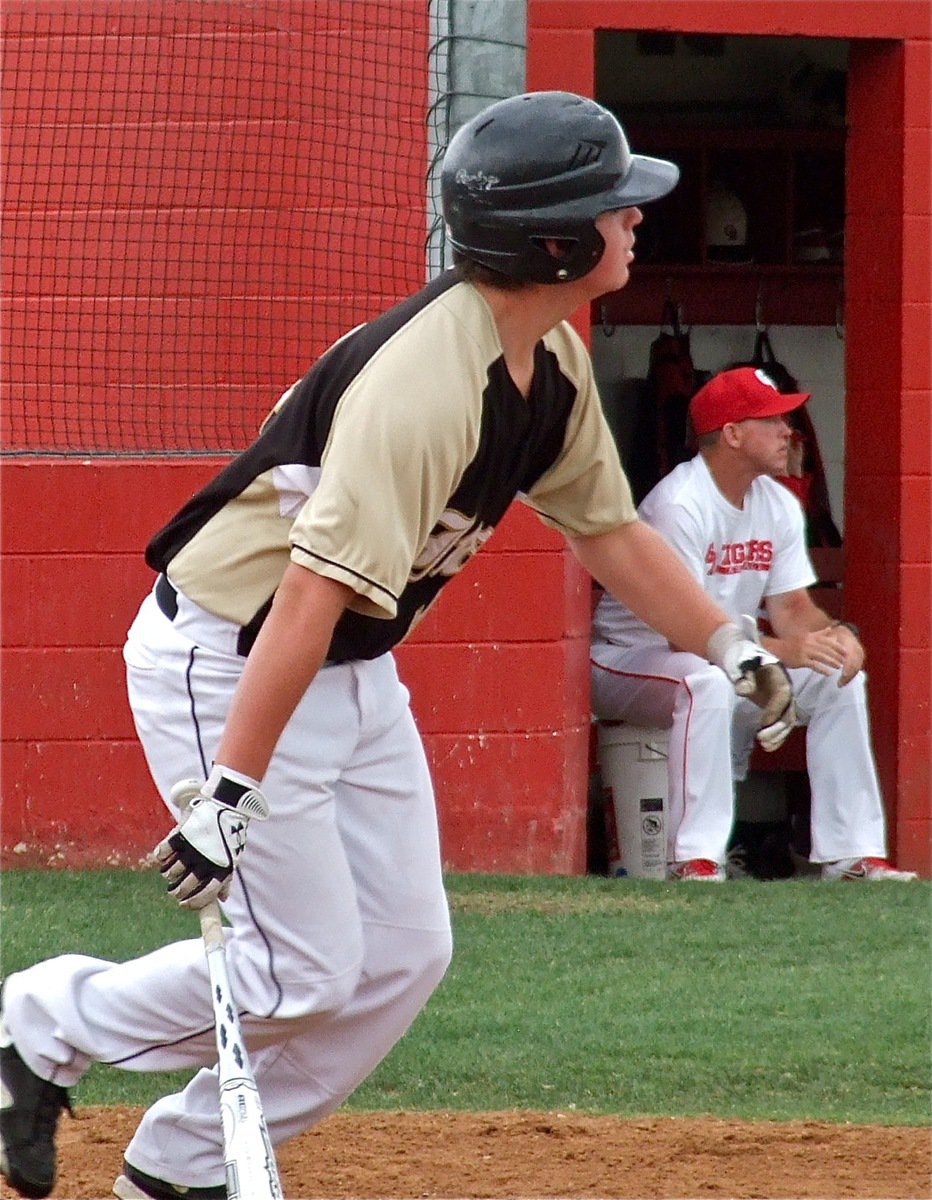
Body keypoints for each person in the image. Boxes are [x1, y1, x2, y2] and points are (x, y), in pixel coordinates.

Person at [0, 92, 796, 1200]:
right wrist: (229, 789)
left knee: (402, 957)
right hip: (236, 660)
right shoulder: (424, 389)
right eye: (614, 207)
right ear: (553, 242)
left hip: (346, 665)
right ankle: (40, 1022)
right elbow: (309, 596)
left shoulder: (546, 361)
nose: (635, 221)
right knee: (302, 974)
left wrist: (726, 643)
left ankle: (177, 1165)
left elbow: (609, 532)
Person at [590, 366, 917, 883]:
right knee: (706, 684)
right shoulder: (680, 503)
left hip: (728, 656)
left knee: (839, 682)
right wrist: (782, 653)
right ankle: (696, 859)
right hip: (629, 659)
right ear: (733, 434)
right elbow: (683, 633)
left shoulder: (778, 502)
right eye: (773, 419)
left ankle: (852, 855)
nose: (790, 430)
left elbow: (792, 611)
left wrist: (836, 638)